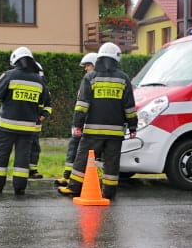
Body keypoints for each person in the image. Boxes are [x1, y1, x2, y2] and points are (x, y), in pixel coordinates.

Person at [58, 43, 138, 199]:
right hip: (115, 132)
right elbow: (129, 106)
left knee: (83, 159)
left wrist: (78, 124)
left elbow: (82, 105)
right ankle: (109, 193)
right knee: (112, 163)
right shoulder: (123, 79)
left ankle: (74, 188)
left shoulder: (90, 77)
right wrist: (133, 126)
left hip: (92, 131)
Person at [0, 47, 51, 195]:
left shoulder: (10, 75)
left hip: (7, 125)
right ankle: (19, 187)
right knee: (23, 157)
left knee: (1, 154)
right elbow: (42, 104)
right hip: (28, 128)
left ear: (15, 60)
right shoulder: (39, 80)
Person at [54, 53, 98, 187]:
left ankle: (78, 179)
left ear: (95, 65)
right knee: (73, 147)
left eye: (88, 65)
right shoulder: (87, 80)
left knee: (80, 150)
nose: (86, 68)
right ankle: (67, 176)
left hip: (88, 123)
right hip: (82, 122)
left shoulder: (94, 82)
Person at [28, 62, 51, 179]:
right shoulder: (28, 86)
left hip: (36, 123)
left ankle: (33, 170)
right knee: (24, 146)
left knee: (35, 146)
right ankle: (23, 169)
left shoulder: (45, 88)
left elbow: (48, 105)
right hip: (25, 122)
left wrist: (43, 115)